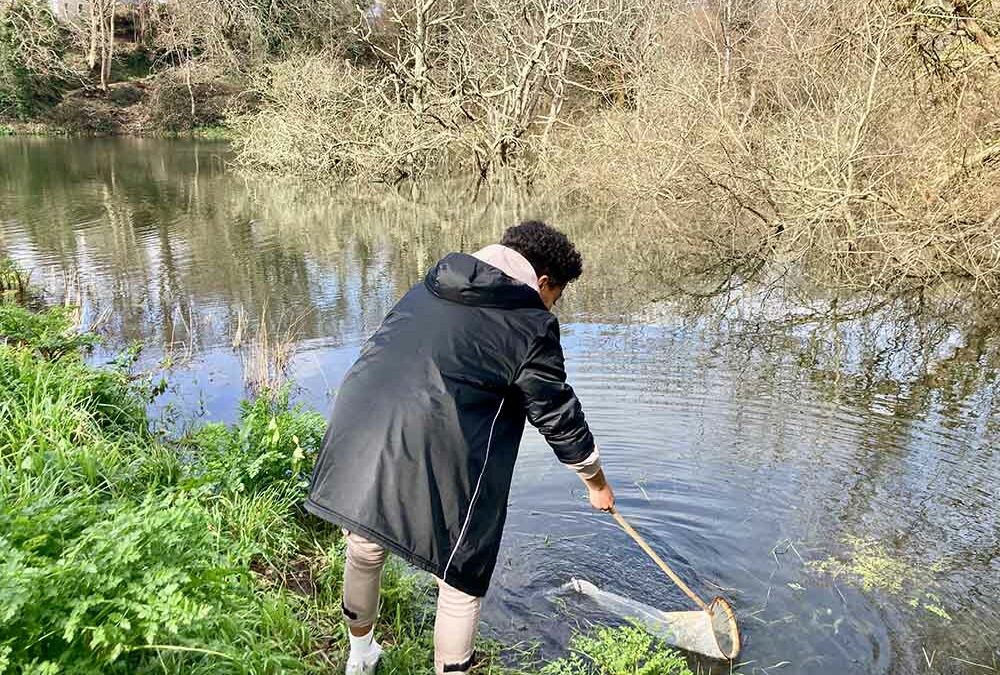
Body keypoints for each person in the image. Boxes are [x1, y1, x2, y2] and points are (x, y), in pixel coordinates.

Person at [305, 220, 616, 675]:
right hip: (437, 440)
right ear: (544, 282)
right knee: (458, 580)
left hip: (360, 419)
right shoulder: (531, 323)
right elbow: (557, 415)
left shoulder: (433, 283)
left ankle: (360, 658)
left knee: (365, 546)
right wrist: (596, 482)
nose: (553, 307)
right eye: (557, 297)